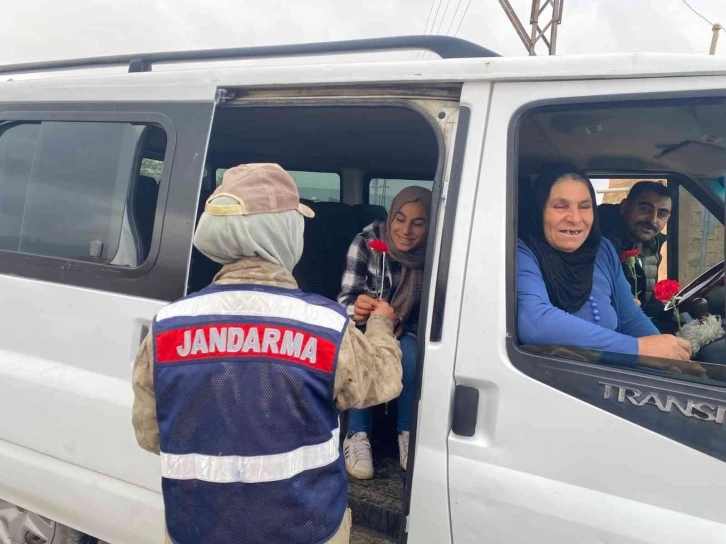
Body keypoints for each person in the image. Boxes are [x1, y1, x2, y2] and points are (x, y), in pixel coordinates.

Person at [131, 163, 404, 544]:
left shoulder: (166, 326)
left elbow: (151, 436)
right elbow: (383, 382)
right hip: (307, 531)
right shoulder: (325, 326)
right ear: (285, 234)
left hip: (195, 530)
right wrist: (380, 324)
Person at [517, 165, 704, 376]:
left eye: (585, 206)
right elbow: (535, 323)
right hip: (554, 382)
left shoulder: (601, 250)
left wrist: (667, 361)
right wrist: (640, 350)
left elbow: (630, 318)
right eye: (560, 206)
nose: (575, 218)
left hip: (612, 379)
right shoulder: (522, 250)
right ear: (540, 210)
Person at [337, 186, 432, 479]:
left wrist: (402, 323)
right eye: (399, 219)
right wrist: (360, 308)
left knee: (411, 356)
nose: (406, 230)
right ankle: (356, 435)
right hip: (367, 327)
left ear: (431, 226)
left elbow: (438, 313)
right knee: (366, 350)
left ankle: (407, 433)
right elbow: (344, 302)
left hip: (409, 328)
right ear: (390, 218)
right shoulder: (366, 243)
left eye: (419, 222)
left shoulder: (438, 251)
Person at [599, 181, 671, 316]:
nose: (652, 220)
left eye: (662, 214)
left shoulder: (651, 242)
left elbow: (643, 302)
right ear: (624, 207)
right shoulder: (604, 243)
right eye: (645, 209)